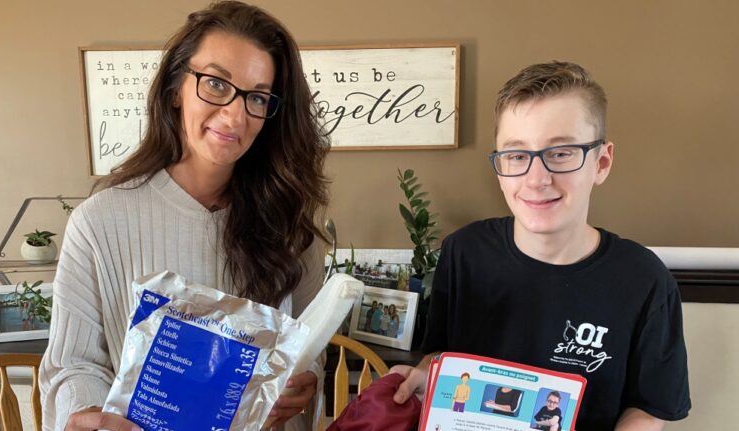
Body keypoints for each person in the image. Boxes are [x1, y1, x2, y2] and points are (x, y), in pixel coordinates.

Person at [38, 2, 329, 430]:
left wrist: (306, 382)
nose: (234, 115)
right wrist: (84, 414)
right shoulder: (99, 222)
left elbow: (308, 353)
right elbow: (72, 364)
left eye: (257, 97)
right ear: (176, 87)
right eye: (215, 83)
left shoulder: (291, 228)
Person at [392, 61, 690, 430]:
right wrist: (427, 371)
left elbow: (650, 406)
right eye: (517, 155)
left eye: (561, 153)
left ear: (602, 162)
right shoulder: (463, 252)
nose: (536, 179)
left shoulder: (644, 279)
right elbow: (441, 351)